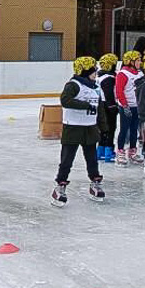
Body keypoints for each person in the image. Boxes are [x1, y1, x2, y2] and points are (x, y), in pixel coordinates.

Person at [51, 57, 107, 207]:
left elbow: (100, 109)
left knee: (92, 158)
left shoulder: (96, 88)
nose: (96, 73)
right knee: (67, 159)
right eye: (93, 70)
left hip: (90, 127)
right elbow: (65, 100)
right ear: (85, 71)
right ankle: (60, 185)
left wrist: (104, 127)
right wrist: (85, 105)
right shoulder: (73, 85)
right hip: (73, 128)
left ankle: (95, 182)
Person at [114, 50, 143, 166]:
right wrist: (125, 105)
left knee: (134, 130)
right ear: (131, 62)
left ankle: (132, 151)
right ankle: (120, 152)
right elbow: (119, 91)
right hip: (126, 106)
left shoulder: (140, 74)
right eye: (138, 60)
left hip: (137, 106)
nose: (140, 62)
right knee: (124, 129)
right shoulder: (123, 74)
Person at [96, 53, 119, 163]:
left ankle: (100, 151)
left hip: (101, 105)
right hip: (107, 106)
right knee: (110, 128)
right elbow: (109, 93)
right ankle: (108, 152)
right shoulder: (109, 78)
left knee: (103, 129)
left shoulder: (100, 76)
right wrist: (113, 106)